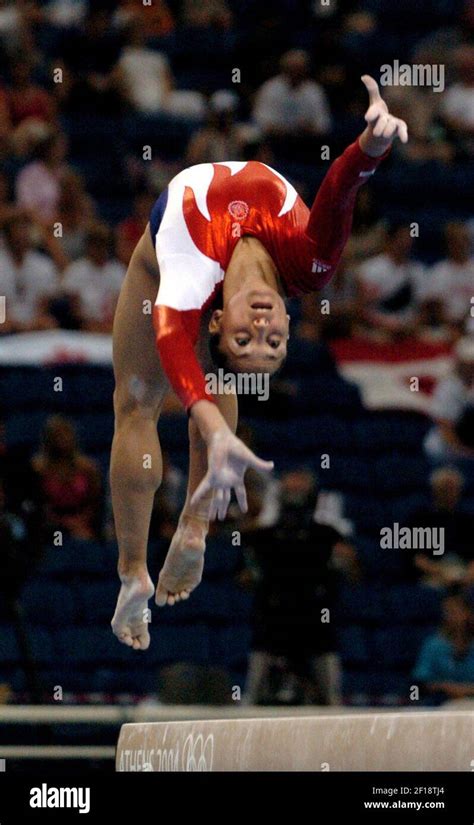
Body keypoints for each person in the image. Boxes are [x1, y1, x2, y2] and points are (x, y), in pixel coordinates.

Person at [110, 75, 408, 650]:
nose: (265, 330)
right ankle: (182, 534)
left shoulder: (192, 268)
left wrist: (210, 419)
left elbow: (173, 338)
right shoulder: (312, 265)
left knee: (137, 402)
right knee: (205, 396)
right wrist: (372, 145)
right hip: (211, 240)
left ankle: (133, 571)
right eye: (273, 342)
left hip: (167, 244)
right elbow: (341, 192)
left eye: (250, 338)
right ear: (291, 323)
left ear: (219, 321)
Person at [32, 416, 102, 541]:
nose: (62, 439)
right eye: (58, 435)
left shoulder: (88, 468)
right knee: (55, 539)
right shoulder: (38, 469)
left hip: (82, 521)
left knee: (84, 540)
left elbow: (95, 503)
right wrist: (61, 522)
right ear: (49, 439)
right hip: (49, 523)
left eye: (65, 434)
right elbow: (37, 503)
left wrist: (79, 521)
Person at [413, 591, 474, 704]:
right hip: (441, 703)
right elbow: (418, 685)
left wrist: (466, 690)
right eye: (449, 612)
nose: (453, 617)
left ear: (469, 614)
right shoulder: (433, 645)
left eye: (457, 612)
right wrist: (446, 687)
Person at [424, 336, 474, 462]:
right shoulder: (448, 387)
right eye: (468, 364)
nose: (470, 368)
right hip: (445, 448)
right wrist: (463, 453)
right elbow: (445, 426)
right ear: (459, 362)